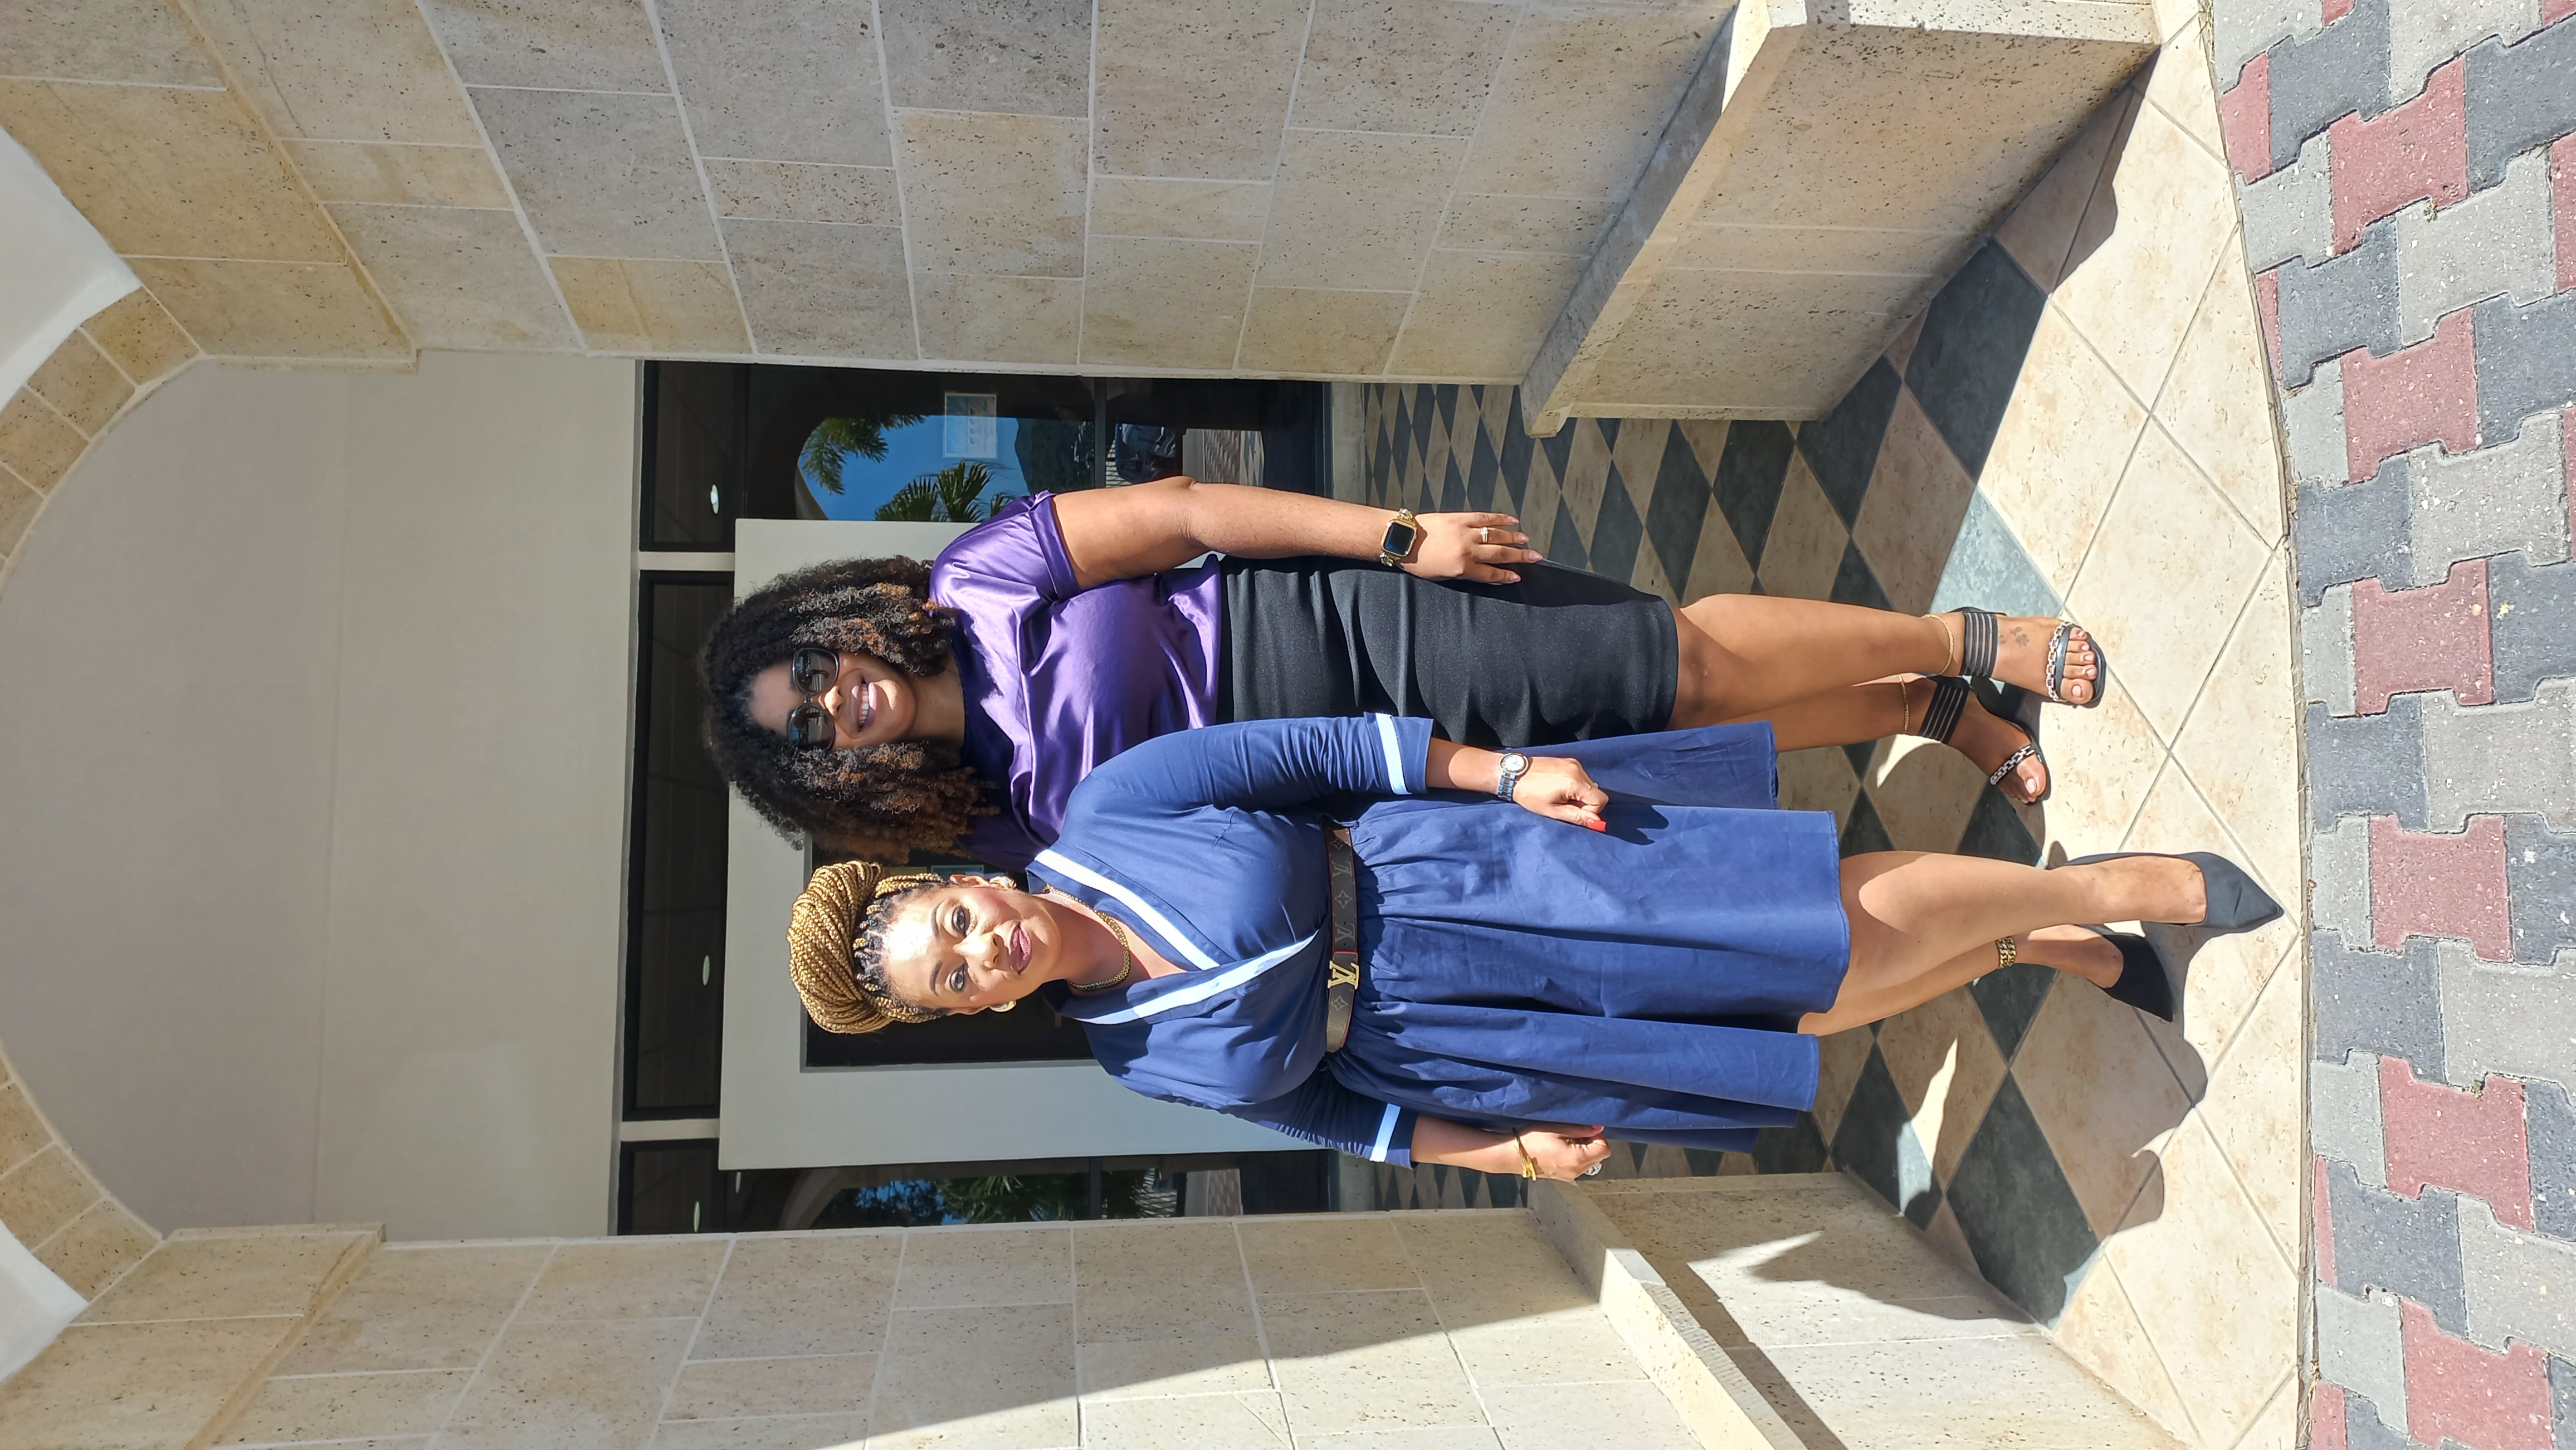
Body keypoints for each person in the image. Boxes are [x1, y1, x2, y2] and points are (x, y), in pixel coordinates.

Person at [783, 714, 2275, 1180]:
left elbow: (1315, 742)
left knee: (1801, 934)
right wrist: (1496, 1154)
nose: (983, 944)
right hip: (1463, 1040)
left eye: (951, 919)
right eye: (955, 975)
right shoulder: (1131, 1055)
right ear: (959, 1010)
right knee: (1793, 1018)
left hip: (1454, 875)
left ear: (944, 878)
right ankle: (2029, 939)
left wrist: (1500, 774)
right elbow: (1322, 1110)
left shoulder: (1111, 810)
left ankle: (2107, 884)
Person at [705, 479, 2104, 863]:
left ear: (831, 627)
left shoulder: (980, 578)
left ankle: (1954, 642)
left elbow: (1189, 514)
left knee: (1672, 655)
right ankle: (1923, 711)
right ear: (830, 775)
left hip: (1352, 627)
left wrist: (1397, 538)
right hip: (1354, 777)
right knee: (1662, 727)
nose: (841, 703)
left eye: (814, 675)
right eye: (813, 731)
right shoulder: (985, 822)